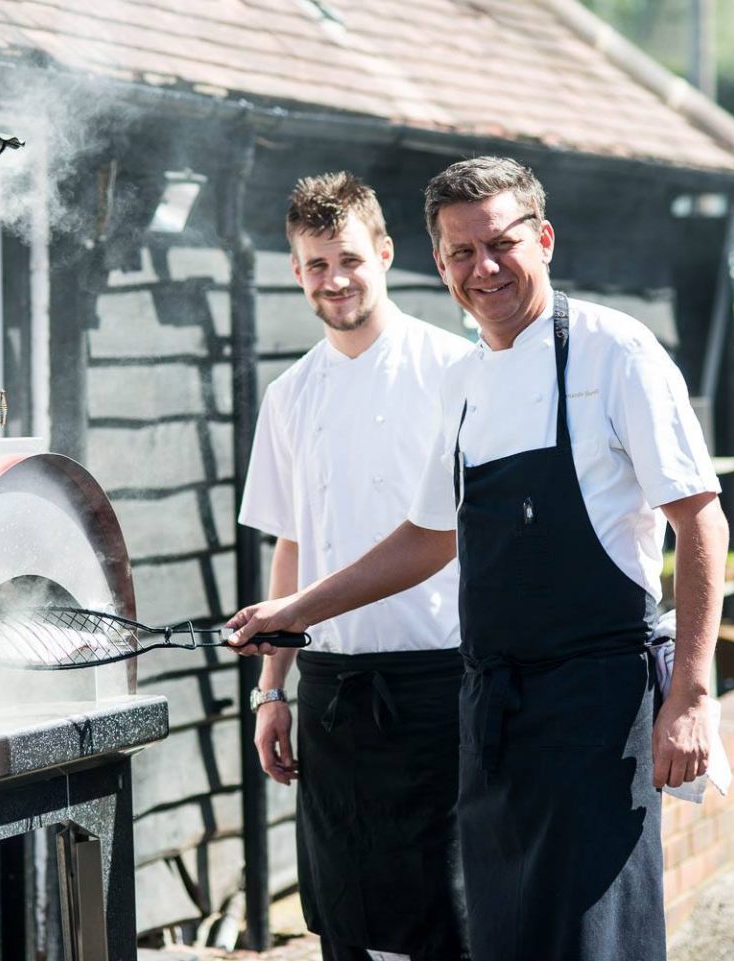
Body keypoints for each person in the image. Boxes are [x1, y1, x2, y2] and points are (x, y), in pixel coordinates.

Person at [228, 157, 729, 961]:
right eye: (461, 252)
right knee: (498, 936)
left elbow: (701, 522)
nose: (483, 267)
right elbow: (429, 535)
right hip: (490, 706)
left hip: (596, 701)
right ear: (438, 260)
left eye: (501, 244)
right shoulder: (465, 380)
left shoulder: (612, 350)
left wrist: (693, 693)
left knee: (587, 941)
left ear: (545, 239)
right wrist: (293, 616)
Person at [238, 171, 474, 961]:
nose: (333, 280)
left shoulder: (454, 371)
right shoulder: (290, 393)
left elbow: (448, 534)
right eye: (314, 264)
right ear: (295, 270)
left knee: (447, 918)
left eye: (347, 259)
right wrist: (271, 690)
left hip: (439, 686)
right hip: (333, 692)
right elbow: (291, 544)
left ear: (384, 252)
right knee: (344, 919)